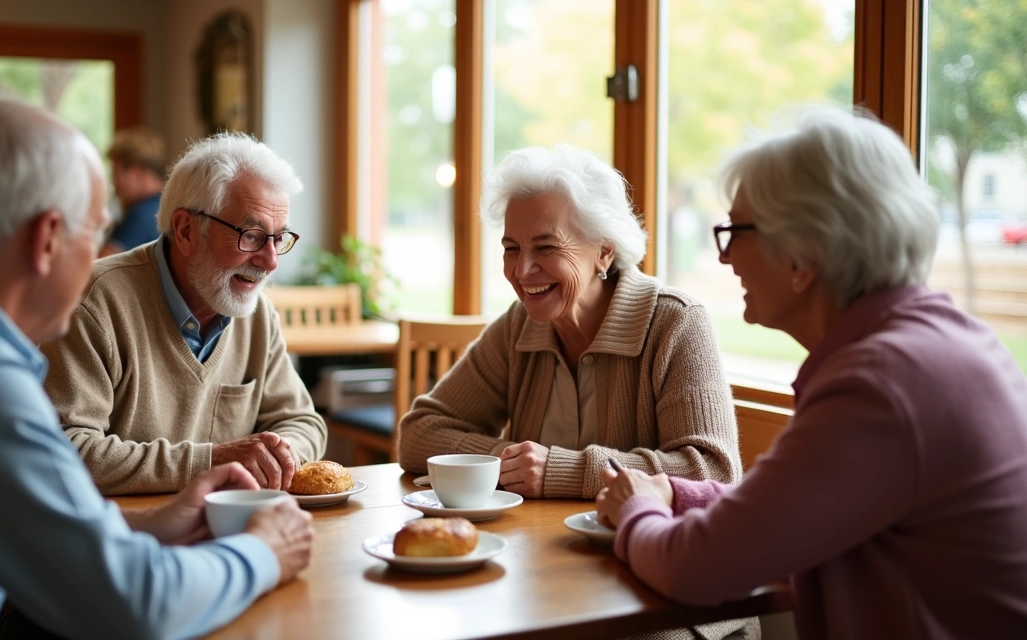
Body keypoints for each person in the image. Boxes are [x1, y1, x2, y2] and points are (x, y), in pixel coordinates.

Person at [0, 92, 314, 639]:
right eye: (95, 232)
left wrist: (146, 524)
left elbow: (4, 517)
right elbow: (133, 605)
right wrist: (263, 552)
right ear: (48, 238)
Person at [597, 107, 1027, 639]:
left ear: (802, 256)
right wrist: (679, 495)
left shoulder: (879, 386)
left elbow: (694, 571)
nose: (726, 258)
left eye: (735, 231)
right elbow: (794, 507)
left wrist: (637, 508)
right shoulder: (945, 346)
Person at [396, 144, 741, 499]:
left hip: (635, 548)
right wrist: (511, 461)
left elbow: (714, 472)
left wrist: (561, 471)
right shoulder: (519, 326)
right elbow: (419, 434)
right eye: (511, 248)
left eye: (546, 248)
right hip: (534, 544)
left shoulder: (675, 322)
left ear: (604, 251)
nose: (521, 270)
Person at [41, 132, 326, 495]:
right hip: (126, 534)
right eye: (251, 235)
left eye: (278, 238)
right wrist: (212, 463)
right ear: (187, 230)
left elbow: (302, 420)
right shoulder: (95, 302)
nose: (270, 262)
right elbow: (66, 449)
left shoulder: (256, 314)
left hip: (228, 527)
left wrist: (278, 458)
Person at [101, 126, 166, 256]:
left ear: (135, 171)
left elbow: (97, 270)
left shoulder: (140, 216)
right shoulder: (167, 205)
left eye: (116, 173)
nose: (114, 183)